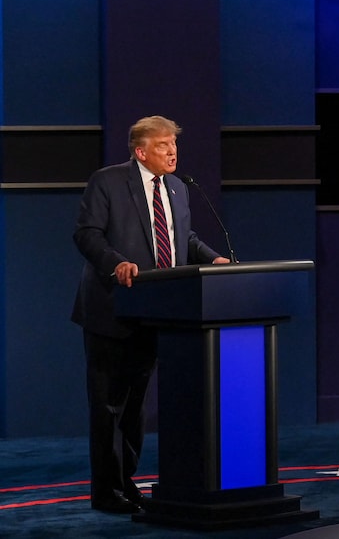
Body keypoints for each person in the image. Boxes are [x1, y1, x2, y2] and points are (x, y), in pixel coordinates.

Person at [71, 115, 231, 514]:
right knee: (109, 406)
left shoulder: (178, 188)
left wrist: (212, 258)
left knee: (136, 406)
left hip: (157, 312)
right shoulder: (107, 181)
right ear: (140, 151)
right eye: (163, 146)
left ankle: (128, 482)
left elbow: (182, 238)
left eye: (174, 144)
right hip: (112, 310)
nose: (172, 151)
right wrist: (117, 263)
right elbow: (87, 233)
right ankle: (106, 492)